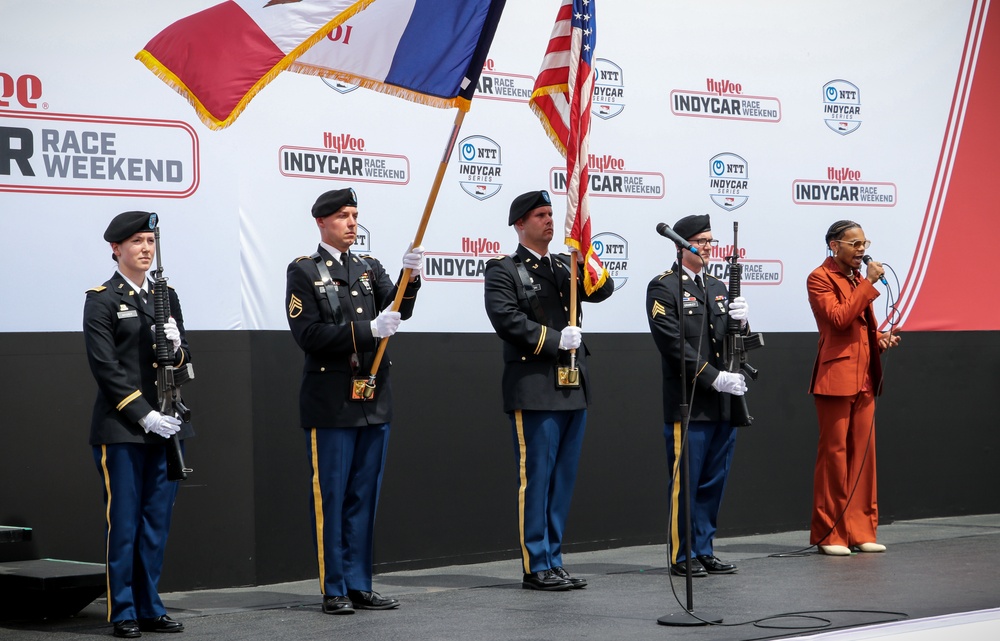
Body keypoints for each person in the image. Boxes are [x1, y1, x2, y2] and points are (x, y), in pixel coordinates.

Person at [285, 187, 423, 614]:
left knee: (365, 495)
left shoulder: (368, 267)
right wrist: (368, 332)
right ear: (321, 222)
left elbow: (401, 308)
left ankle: (361, 582)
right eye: (343, 215)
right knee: (332, 496)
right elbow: (307, 335)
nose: (351, 223)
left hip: (372, 398)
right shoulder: (304, 271)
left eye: (355, 215)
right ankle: (335, 586)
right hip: (331, 403)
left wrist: (409, 279)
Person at [483, 189, 615, 591]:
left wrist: (586, 260)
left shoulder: (563, 264)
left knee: (563, 481)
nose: (549, 220)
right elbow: (506, 320)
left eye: (551, 213)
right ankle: (535, 563)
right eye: (540, 215)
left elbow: (603, 290)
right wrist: (557, 339)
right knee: (537, 479)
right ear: (520, 224)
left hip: (572, 388)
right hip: (535, 386)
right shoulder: (504, 269)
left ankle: (554, 558)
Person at [83, 210, 191, 638]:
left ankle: (151, 606)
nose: (146, 249)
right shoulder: (102, 299)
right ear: (116, 249)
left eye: (150, 241)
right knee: (125, 524)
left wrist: (179, 347)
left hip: (167, 424)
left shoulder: (166, 297)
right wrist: (143, 414)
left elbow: (183, 365)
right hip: (124, 429)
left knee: (155, 524)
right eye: (137, 243)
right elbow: (106, 369)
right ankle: (123, 610)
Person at [645, 214, 750, 578]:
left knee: (713, 483)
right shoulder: (664, 287)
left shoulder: (720, 287)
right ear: (681, 244)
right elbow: (673, 345)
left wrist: (744, 320)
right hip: (689, 399)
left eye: (710, 240)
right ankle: (681, 553)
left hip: (723, 403)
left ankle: (704, 548)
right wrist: (714, 378)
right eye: (701, 241)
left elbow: (732, 341)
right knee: (686, 485)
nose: (708, 246)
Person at [806, 220, 900, 556]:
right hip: (835, 378)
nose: (862, 249)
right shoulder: (820, 277)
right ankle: (831, 533)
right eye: (854, 243)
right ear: (835, 245)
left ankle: (860, 530)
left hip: (864, 378)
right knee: (835, 457)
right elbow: (838, 319)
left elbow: (857, 328)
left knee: (863, 457)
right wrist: (869, 284)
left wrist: (879, 339)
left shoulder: (857, 279)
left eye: (864, 243)